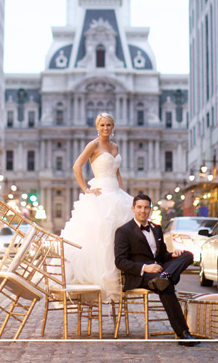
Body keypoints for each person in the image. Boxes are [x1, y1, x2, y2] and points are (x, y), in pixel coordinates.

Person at [61, 112, 133, 301]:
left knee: (119, 236)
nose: (105, 128)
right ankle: (102, 281)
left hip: (116, 194)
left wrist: (124, 193)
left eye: (108, 125)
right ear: (97, 127)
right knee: (102, 238)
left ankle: (122, 278)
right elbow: (77, 166)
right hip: (101, 193)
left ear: (113, 126)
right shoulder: (93, 145)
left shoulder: (115, 146)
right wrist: (86, 189)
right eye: (102, 125)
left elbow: (117, 173)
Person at [114, 194, 200, 346]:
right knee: (165, 286)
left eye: (146, 207)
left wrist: (172, 255)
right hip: (141, 275)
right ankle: (183, 333)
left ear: (150, 209)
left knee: (187, 255)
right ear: (133, 209)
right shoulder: (123, 231)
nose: (143, 211)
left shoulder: (157, 229)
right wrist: (145, 267)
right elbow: (120, 261)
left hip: (159, 271)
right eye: (139, 207)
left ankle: (165, 276)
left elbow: (162, 256)